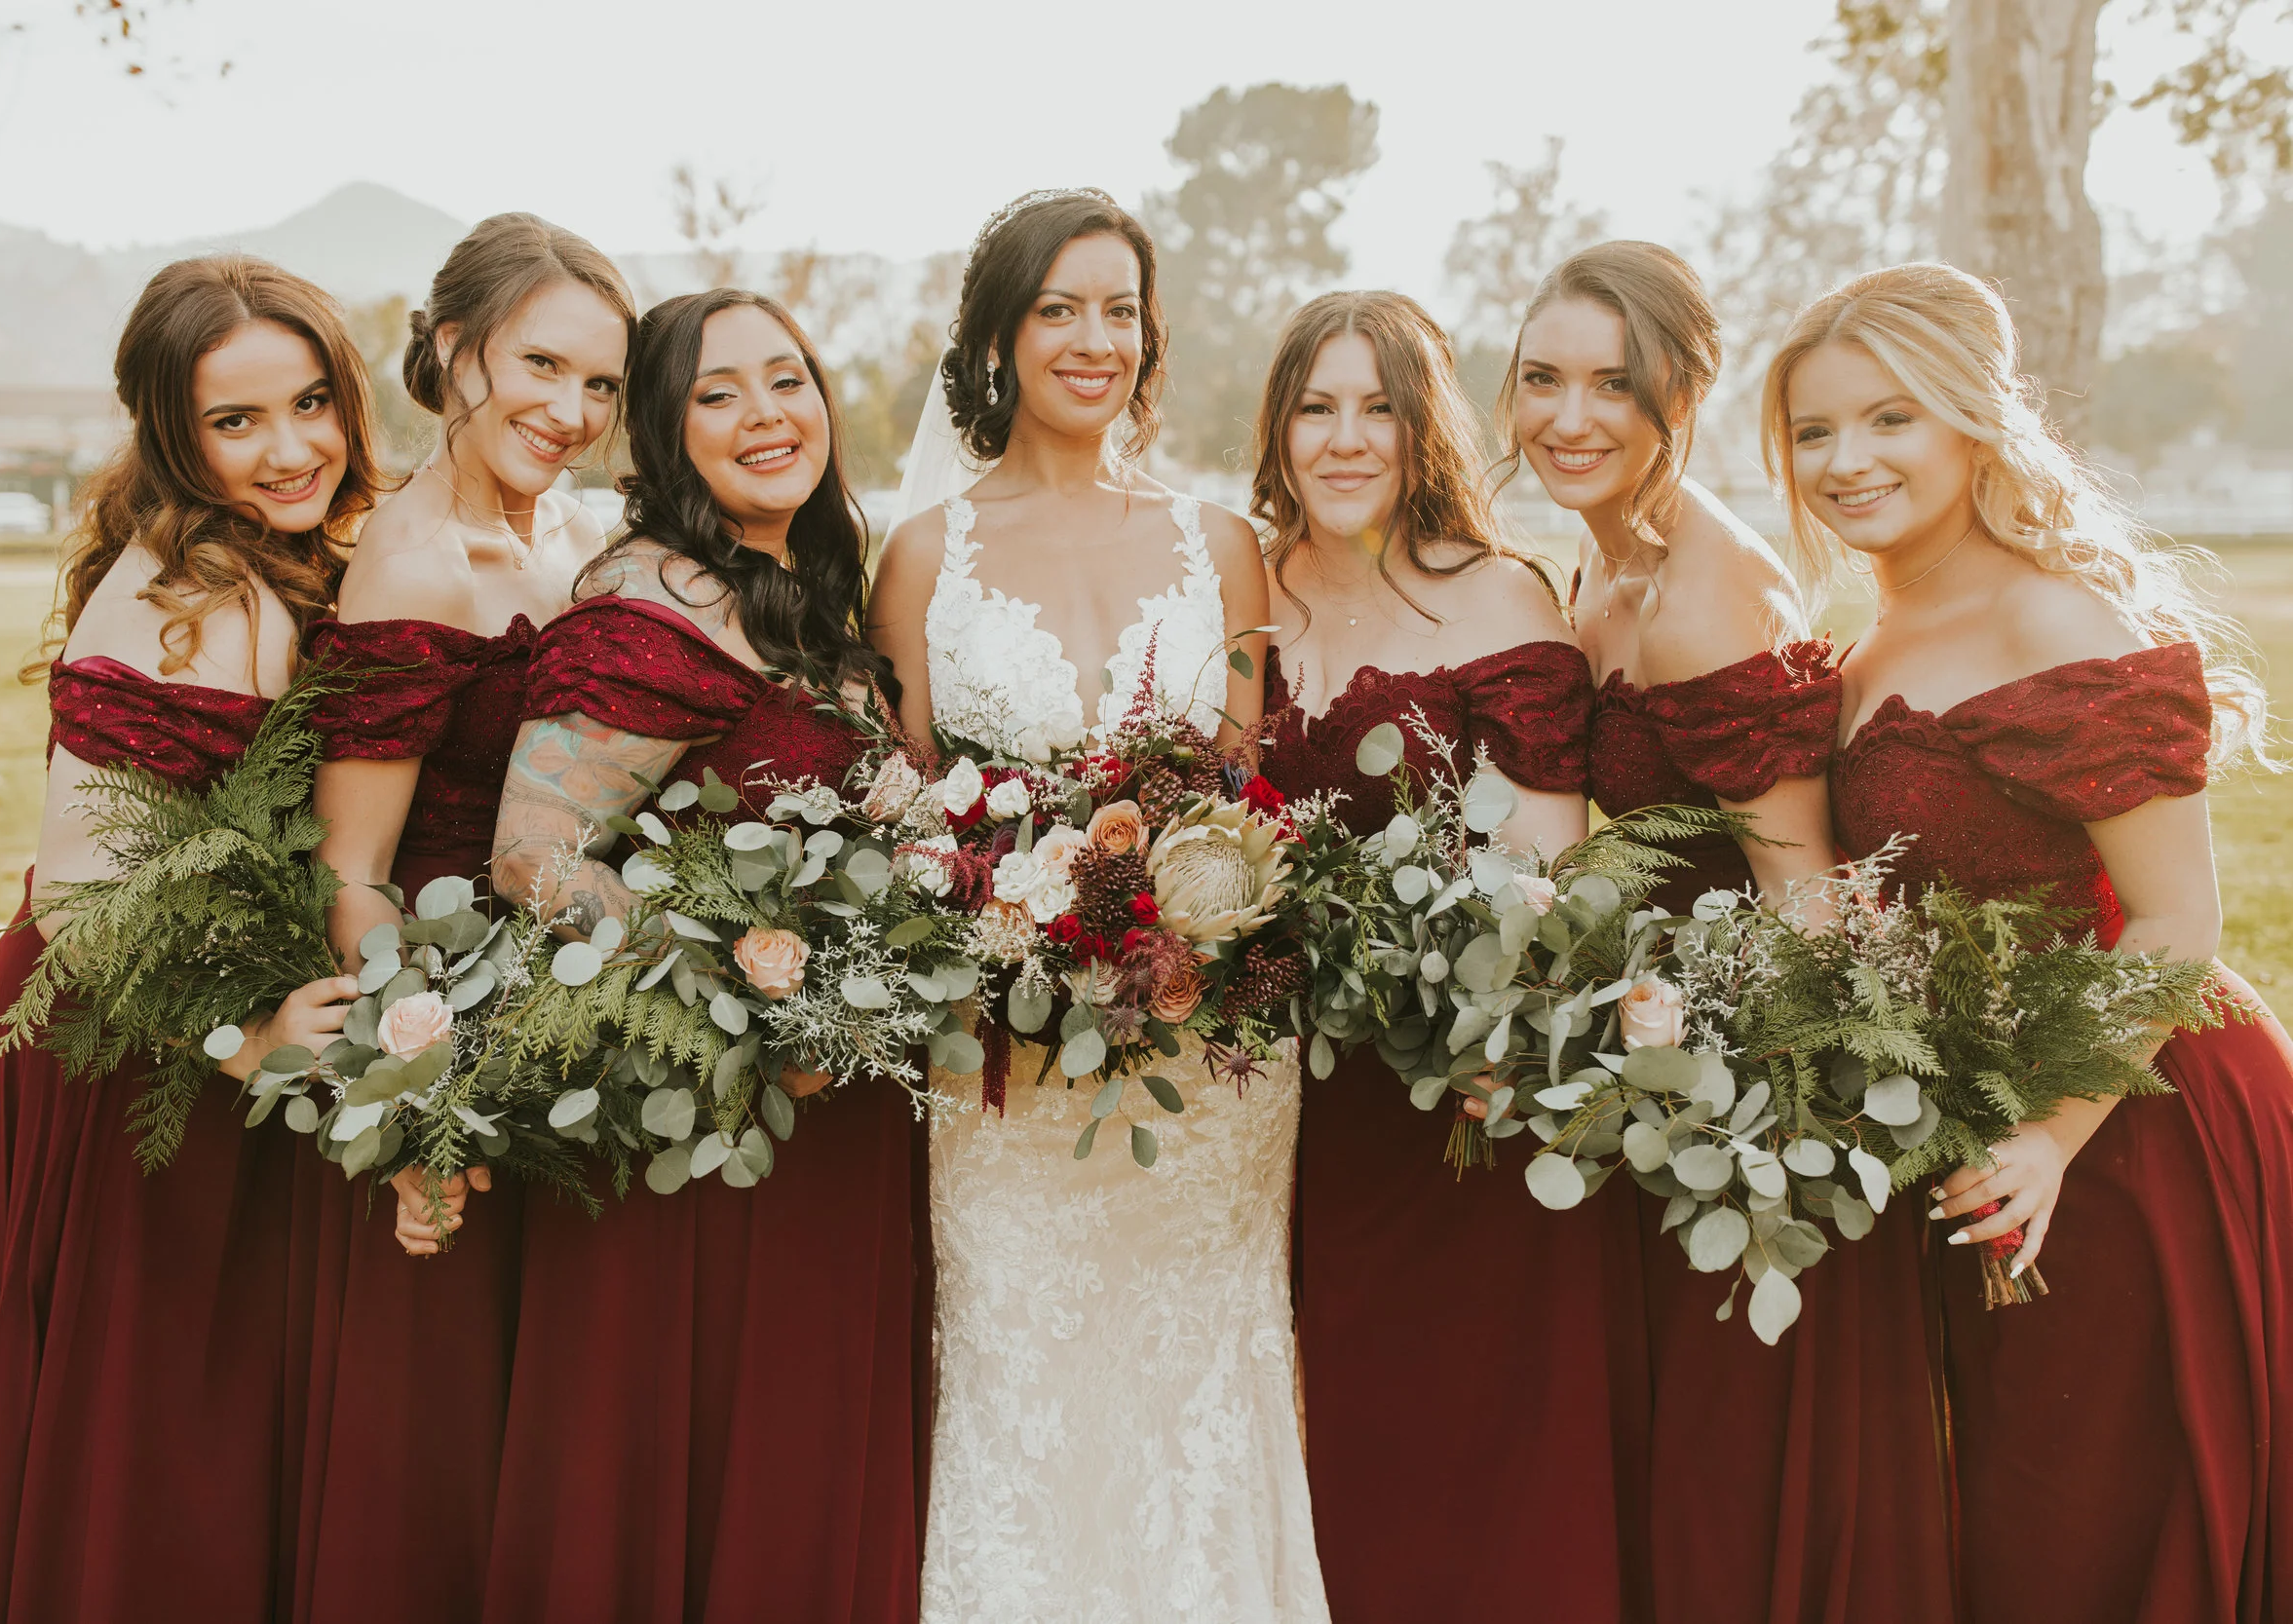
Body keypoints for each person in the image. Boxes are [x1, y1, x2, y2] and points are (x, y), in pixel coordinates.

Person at [1773, 259, 2293, 1622]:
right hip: (1987, 1133)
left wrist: (2052, 1137)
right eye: (1815, 430)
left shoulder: (2050, 618)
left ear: (1970, 424)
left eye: (1890, 418)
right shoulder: (1876, 633)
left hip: (2133, 1121)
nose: (1847, 459)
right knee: (2016, 1519)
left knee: (2103, 1529)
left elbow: (2179, 921)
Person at [0, 255, 375, 1623]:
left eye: (312, 402)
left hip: (210, 1027)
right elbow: (84, 896)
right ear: (173, 434)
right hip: (129, 1049)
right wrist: (245, 1040)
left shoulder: (284, 553)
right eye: (237, 421)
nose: (292, 448)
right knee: (153, 1436)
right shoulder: (186, 594)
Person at [867, 188, 1325, 1622]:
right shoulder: (922, 554)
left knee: (1201, 1383)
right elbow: (910, 813)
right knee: (1021, 1380)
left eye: (1120, 309)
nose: (1094, 339)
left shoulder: (1221, 541)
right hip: (1003, 1070)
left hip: (1204, 1062)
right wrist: (1012, 922)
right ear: (997, 338)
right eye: (1058, 308)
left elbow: (1242, 798)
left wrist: (1185, 927)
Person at [1512, 242, 1954, 1621]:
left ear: (1683, 395)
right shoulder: (1600, 569)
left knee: (1740, 1474)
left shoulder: (1706, 591)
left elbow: (1803, 889)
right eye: (1541, 379)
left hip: (1752, 1109)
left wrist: (1766, 1145)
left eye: (1613, 385)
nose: (1570, 417)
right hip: (1659, 1071)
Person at [477, 288, 922, 1621]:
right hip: (707, 1130)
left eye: (787, 379)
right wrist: (751, 988)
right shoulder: (649, 605)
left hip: (831, 1123)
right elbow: (533, 858)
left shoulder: (804, 590)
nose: (766, 415)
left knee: (801, 1484)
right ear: (667, 435)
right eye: (716, 395)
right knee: (698, 1475)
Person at [1250, 289, 1635, 1621]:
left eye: (1380, 408)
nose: (1346, 438)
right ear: (1278, 428)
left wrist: (1493, 1027)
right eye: (1316, 407)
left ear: (1426, 431)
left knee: (1469, 1431)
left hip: (1462, 1087)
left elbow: (1547, 873)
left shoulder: (1497, 594)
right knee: (1326, 1437)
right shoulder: (1247, 589)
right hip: (1281, 1096)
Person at [291, 212, 632, 1622]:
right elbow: (353, 868)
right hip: (459, 1036)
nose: (572, 410)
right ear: (451, 349)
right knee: (437, 1458)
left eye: (602, 383)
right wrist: (422, 1103)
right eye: (541, 365)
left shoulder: (582, 532)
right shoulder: (415, 563)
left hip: (582, 1026)